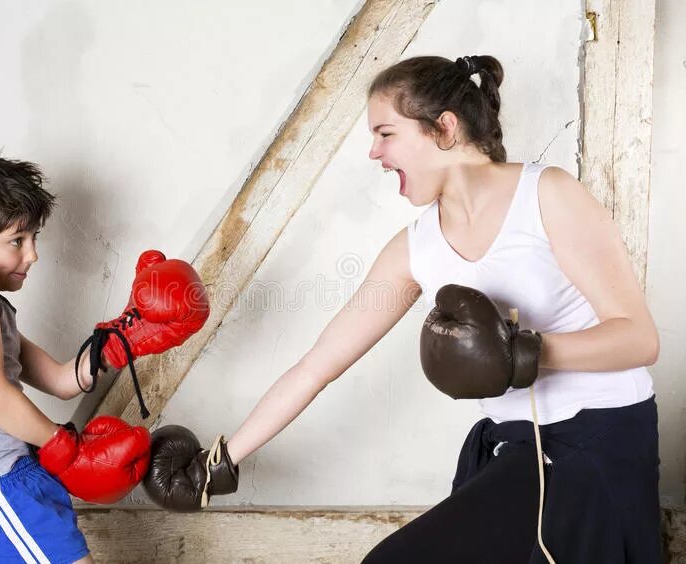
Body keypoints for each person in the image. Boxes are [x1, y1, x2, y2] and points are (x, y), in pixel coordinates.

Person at [144, 55, 661, 563]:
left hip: (597, 441)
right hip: (515, 452)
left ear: (444, 129)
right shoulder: (413, 250)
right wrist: (221, 462)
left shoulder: (547, 196)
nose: (373, 152)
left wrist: (524, 353)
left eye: (385, 133)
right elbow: (315, 366)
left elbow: (639, 339)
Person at [0, 150, 209, 563]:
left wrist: (124, 337)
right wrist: (63, 445)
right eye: (17, 240)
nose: (32, 254)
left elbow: (59, 380)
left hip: (12, 480)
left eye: (34, 238)